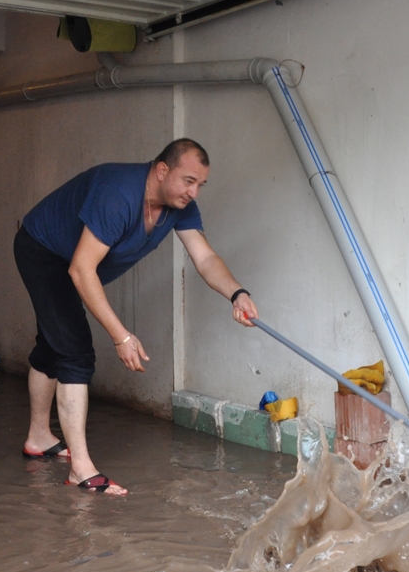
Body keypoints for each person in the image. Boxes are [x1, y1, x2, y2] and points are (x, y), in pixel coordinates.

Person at [14, 139, 258, 495]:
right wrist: (120, 335)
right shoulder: (119, 195)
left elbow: (204, 258)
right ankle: (80, 469)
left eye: (200, 184)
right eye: (188, 180)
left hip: (72, 260)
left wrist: (237, 293)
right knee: (75, 352)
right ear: (162, 170)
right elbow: (82, 270)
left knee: (54, 342)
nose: (194, 192)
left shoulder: (179, 206)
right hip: (43, 250)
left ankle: (39, 437)